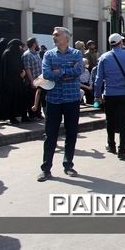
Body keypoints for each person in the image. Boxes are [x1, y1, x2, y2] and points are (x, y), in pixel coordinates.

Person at [38, 27, 84, 182]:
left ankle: (68, 165)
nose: (54, 37)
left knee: (71, 134)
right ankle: (46, 168)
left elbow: (78, 71)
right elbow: (46, 74)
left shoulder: (77, 53)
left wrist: (59, 72)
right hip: (54, 100)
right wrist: (66, 71)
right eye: (53, 35)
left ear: (66, 37)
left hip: (72, 99)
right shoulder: (48, 55)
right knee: (50, 135)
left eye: (56, 35)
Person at [94, 33, 125, 160]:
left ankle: (111, 145)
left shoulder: (104, 57)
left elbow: (98, 78)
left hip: (109, 94)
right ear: (121, 42)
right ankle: (122, 150)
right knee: (124, 122)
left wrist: (97, 95)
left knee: (110, 120)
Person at [0, 39, 28, 124]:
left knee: (19, 99)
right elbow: (10, 67)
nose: (20, 48)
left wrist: (22, 72)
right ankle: (11, 117)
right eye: (19, 46)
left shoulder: (12, 53)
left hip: (16, 81)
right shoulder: (8, 53)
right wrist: (20, 72)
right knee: (11, 100)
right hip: (10, 82)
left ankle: (21, 116)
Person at [22, 37, 44, 119]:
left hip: (40, 80)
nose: (38, 43)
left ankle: (38, 113)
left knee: (39, 97)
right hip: (33, 80)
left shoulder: (36, 53)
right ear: (34, 43)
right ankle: (32, 114)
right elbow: (28, 69)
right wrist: (32, 81)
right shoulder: (27, 55)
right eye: (37, 42)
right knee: (32, 98)